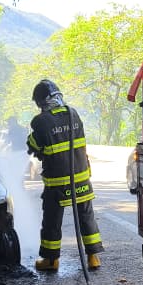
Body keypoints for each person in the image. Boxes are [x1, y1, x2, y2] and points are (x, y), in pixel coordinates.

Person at [27, 79, 104, 273]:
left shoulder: (40, 121)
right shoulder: (73, 113)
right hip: (81, 177)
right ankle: (93, 257)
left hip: (57, 183)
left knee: (52, 221)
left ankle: (51, 261)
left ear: (41, 102)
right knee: (86, 217)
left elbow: (33, 146)